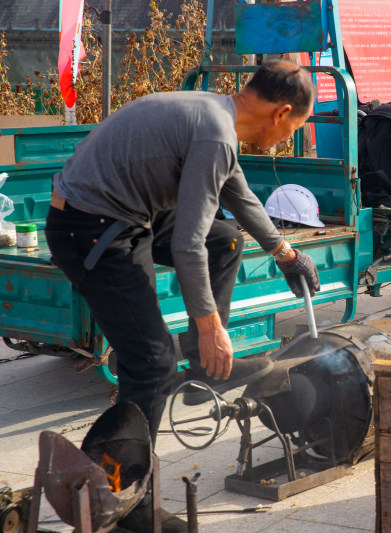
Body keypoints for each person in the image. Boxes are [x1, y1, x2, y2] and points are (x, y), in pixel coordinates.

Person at [44, 58, 319, 491]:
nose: (288, 139)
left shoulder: (216, 114)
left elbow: (241, 197)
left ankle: (204, 369)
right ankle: (122, 491)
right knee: (152, 365)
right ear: (281, 113)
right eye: (294, 129)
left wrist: (285, 253)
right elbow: (186, 245)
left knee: (225, 240)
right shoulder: (216, 135)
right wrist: (211, 326)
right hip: (91, 227)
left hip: (119, 215)